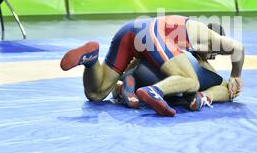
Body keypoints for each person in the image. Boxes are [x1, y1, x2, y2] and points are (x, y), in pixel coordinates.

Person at [60, 15, 245, 117]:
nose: (212, 58)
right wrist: (236, 74)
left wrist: (125, 79)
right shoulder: (208, 36)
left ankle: (91, 61)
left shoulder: (184, 42)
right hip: (150, 32)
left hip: (130, 31)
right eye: (215, 54)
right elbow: (238, 48)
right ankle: (155, 91)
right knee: (191, 80)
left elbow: (150, 56)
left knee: (96, 94)